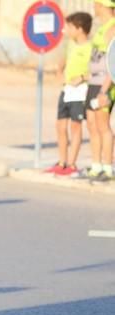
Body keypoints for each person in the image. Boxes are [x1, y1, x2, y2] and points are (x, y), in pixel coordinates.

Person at [44, 12, 92, 177]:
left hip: (80, 92)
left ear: (80, 29)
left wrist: (81, 78)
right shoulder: (70, 44)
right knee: (60, 126)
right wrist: (59, 71)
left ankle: (72, 164)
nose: (67, 30)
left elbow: (95, 71)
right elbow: (64, 58)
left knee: (75, 126)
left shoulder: (90, 47)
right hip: (66, 90)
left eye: (70, 27)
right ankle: (61, 162)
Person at [85, 0, 115, 182]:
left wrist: (105, 89)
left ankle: (107, 166)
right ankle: (96, 165)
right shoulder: (102, 27)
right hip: (93, 81)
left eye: (96, 4)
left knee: (103, 126)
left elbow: (114, 61)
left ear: (104, 6)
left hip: (105, 83)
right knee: (92, 124)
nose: (94, 7)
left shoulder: (113, 28)